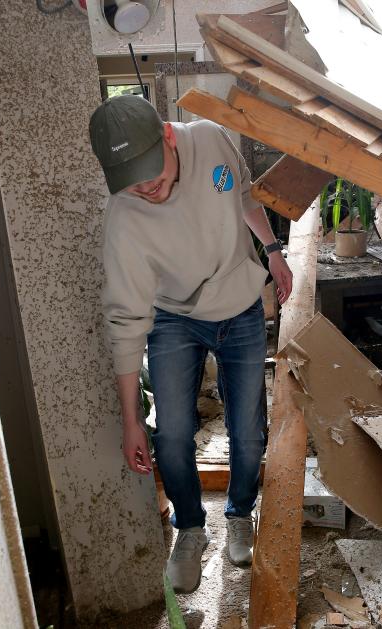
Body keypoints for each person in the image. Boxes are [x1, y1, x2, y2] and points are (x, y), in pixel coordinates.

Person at [88, 95, 292, 593]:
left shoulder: (212, 139)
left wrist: (272, 251)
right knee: (172, 434)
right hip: (174, 317)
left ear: (168, 135)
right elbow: (126, 318)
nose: (145, 188)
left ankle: (240, 514)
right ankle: (190, 527)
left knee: (248, 428)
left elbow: (243, 196)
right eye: (132, 180)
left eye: (151, 171)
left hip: (240, 304)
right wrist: (131, 418)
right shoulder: (124, 217)